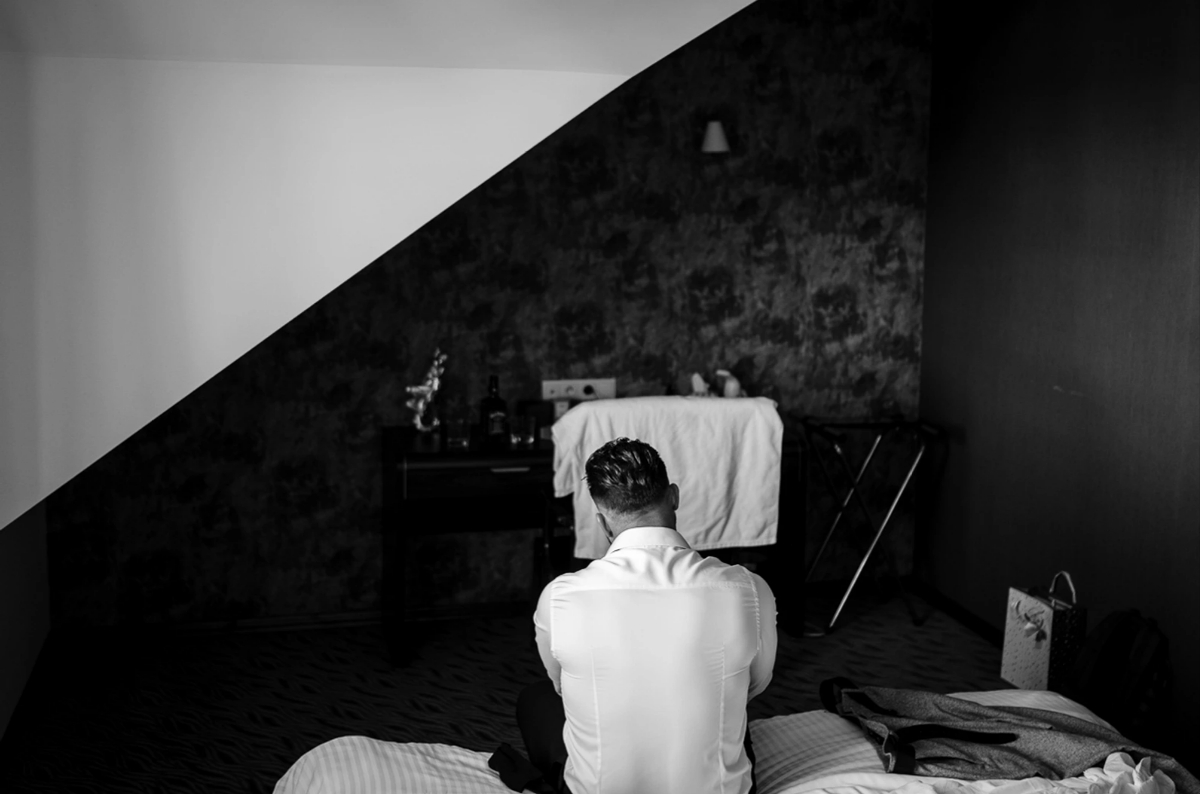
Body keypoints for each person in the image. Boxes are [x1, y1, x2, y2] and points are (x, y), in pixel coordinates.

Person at [517, 437, 777, 794]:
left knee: (536, 700)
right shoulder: (749, 588)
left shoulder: (560, 597)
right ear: (674, 497)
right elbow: (755, 684)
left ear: (602, 522)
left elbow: (562, 686)